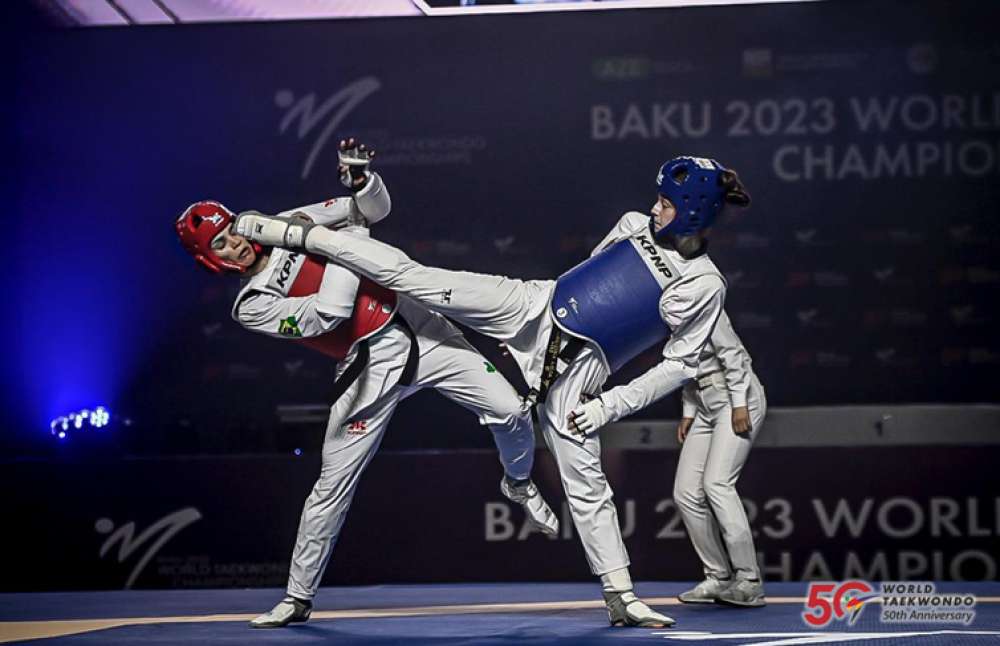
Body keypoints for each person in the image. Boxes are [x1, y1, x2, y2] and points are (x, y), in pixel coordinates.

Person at [235, 154, 752, 628]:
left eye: (665, 202)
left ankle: (621, 594)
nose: (653, 207)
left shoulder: (705, 286)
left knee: (586, 483)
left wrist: (608, 406)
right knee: (412, 275)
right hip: (530, 305)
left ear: (692, 212)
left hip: (580, 377)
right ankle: (293, 235)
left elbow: (680, 365)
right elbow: (589, 277)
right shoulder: (633, 225)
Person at [174, 140, 558, 629]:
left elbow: (371, 210)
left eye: (232, 230)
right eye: (222, 244)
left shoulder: (281, 222)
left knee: (512, 411)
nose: (237, 242)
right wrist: (344, 242)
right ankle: (297, 595)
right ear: (211, 260)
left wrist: (361, 184)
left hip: (421, 327)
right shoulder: (251, 303)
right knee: (332, 484)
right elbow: (328, 315)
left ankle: (518, 483)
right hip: (366, 366)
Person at [674, 311, 768, 607]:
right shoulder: (662, 310)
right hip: (704, 403)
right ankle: (719, 577)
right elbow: (684, 363)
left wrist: (740, 403)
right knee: (685, 493)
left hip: (734, 396)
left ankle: (749, 580)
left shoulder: (703, 295)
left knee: (717, 484)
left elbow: (732, 353)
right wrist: (689, 411)